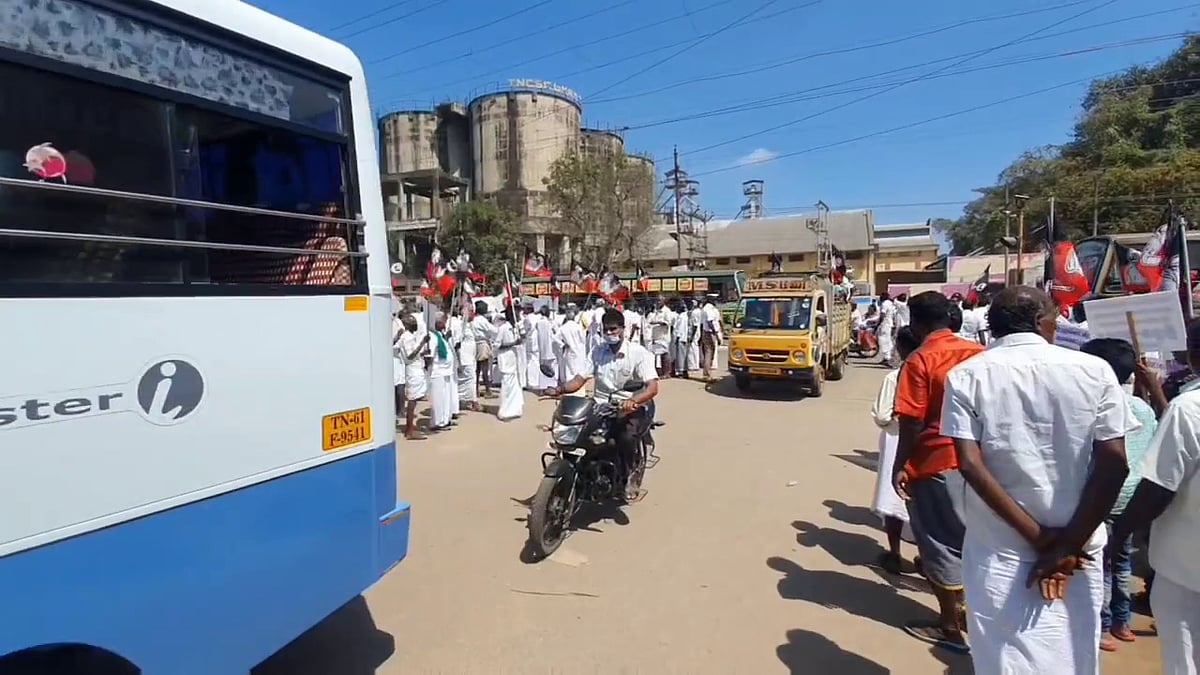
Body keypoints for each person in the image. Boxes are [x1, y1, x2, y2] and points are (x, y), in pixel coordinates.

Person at [941, 287, 1136, 674]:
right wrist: (1064, 544)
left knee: (1003, 657)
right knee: (1073, 653)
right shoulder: (1094, 370)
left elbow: (969, 465)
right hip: (1076, 554)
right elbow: (1115, 465)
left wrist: (1044, 541)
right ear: (1040, 323)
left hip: (1001, 548)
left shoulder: (965, 376)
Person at [888, 290, 984, 653]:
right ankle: (977, 614)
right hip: (982, 465)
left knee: (940, 543)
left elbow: (912, 421)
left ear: (916, 323)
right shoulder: (979, 354)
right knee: (975, 538)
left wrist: (901, 465)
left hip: (936, 462)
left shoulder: (920, 360)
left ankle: (949, 624)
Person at [1112, 317, 1200, 675]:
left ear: (1193, 356)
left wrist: (1116, 536)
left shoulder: (1190, 409)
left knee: (1185, 660)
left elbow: (1157, 488)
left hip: (1186, 571)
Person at [1079, 338, 1158, 652]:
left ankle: (1101, 627)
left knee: (1100, 564)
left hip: (1105, 496)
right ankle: (1122, 623)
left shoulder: (1095, 406)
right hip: (1133, 499)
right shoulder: (1142, 408)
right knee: (1122, 563)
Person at [550, 308, 660, 501]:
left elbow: (652, 388)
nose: (609, 333)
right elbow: (579, 379)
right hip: (601, 405)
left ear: (623, 329)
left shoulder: (638, 353)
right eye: (606, 330)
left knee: (625, 437)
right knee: (581, 435)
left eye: (613, 329)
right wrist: (559, 389)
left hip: (629, 406)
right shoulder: (597, 351)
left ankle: (628, 475)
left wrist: (632, 401)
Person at [871, 326, 921, 575]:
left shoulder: (895, 377)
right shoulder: (932, 371)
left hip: (896, 439)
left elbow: (882, 415)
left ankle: (895, 553)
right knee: (923, 501)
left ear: (900, 348)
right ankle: (926, 557)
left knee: (894, 498)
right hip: (926, 441)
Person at [397, 314, 431, 440]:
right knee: (412, 400)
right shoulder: (407, 337)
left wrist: (422, 352)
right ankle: (410, 430)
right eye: (412, 322)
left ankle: (409, 427)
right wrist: (422, 343)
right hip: (413, 371)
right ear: (407, 325)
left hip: (416, 369)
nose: (415, 324)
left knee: (414, 399)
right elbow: (410, 356)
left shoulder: (409, 336)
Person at [494, 306, 525, 421]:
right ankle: (505, 412)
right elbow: (497, 345)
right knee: (507, 387)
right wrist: (512, 343)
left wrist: (521, 337)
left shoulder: (515, 327)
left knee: (515, 386)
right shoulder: (503, 328)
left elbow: (521, 339)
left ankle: (515, 409)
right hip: (506, 361)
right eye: (516, 314)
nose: (518, 316)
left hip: (514, 360)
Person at [428, 315, 456, 431]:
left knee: (446, 397)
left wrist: (447, 337)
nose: (445, 323)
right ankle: (437, 423)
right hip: (438, 372)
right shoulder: (432, 336)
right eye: (442, 321)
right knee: (438, 398)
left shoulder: (440, 335)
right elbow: (430, 355)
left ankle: (445, 419)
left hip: (446, 371)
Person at [454, 304, 481, 412]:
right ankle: (473, 402)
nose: (472, 313)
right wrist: (458, 360)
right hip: (464, 358)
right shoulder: (460, 325)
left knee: (468, 380)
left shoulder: (469, 325)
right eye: (470, 311)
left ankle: (465, 401)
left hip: (470, 357)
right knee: (470, 380)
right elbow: (457, 343)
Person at [470, 300, 497, 399]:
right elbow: (493, 330)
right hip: (482, 344)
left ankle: (475, 389)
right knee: (484, 368)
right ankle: (488, 390)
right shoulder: (482, 320)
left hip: (474, 344)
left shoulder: (473, 319)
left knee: (476, 369)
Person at [557, 304, 589, 385]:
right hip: (578, 351)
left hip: (569, 351)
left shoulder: (562, 328)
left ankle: (569, 387)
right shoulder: (578, 327)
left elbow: (555, 338)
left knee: (569, 370)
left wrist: (563, 344)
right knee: (577, 370)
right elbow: (583, 339)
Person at [647, 298, 674, 376]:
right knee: (656, 354)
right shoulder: (656, 311)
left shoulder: (667, 311)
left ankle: (667, 373)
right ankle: (659, 372)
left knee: (665, 354)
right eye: (657, 301)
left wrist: (658, 322)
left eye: (659, 301)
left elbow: (668, 323)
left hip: (663, 336)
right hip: (655, 336)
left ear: (663, 301)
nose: (658, 302)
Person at [535, 305, 558, 392]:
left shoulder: (538, 322)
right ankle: (552, 387)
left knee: (542, 369)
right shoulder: (551, 322)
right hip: (551, 349)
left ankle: (542, 388)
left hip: (542, 349)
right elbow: (557, 333)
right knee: (552, 368)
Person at [700, 297, 723, 381]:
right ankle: (707, 375)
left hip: (707, 332)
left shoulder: (708, 308)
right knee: (709, 353)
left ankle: (707, 374)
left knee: (709, 353)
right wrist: (715, 333)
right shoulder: (708, 309)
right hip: (710, 333)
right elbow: (710, 322)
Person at [671, 299, 692, 378]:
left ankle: (680, 371)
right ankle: (684, 370)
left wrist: (677, 338)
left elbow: (679, 328)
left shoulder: (682, 316)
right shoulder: (686, 315)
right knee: (685, 356)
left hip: (681, 338)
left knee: (680, 356)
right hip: (685, 338)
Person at [877, 292, 897, 367]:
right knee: (888, 340)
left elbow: (883, 314)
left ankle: (887, 358)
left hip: (885, 324)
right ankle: (886, 358)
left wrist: (878, 324)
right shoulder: (890, 303)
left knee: (883, 341)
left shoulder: (885, 304)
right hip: (889, 324)